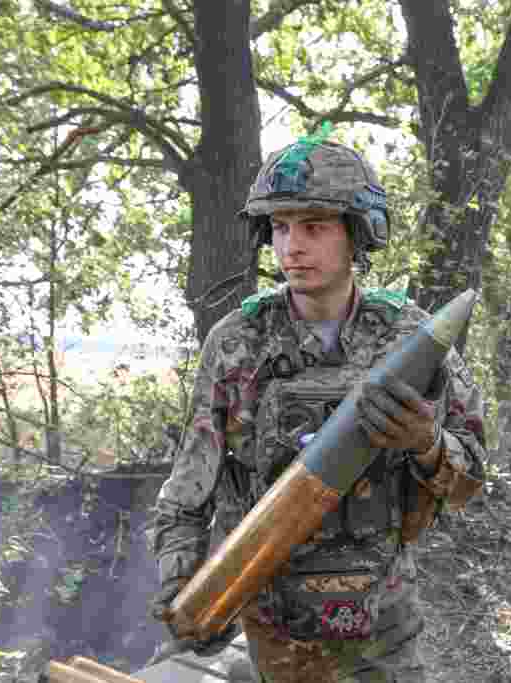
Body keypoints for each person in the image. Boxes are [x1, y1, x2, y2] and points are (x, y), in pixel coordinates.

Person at [150, 135, 487, 683]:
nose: (292, 248)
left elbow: (470, 481)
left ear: (357, 233)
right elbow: (187, 496)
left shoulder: (410, 341)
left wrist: (426, 444)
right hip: (272, 636)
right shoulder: (237, 343)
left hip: (383, 634)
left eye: (313, 226)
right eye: (280, 227)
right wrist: (184, 597)